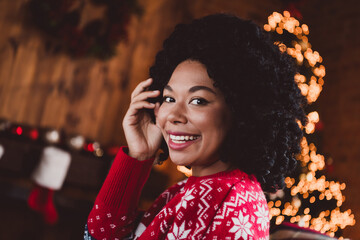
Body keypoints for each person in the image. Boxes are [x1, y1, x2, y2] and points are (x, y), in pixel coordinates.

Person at [84, 13, 308, 240]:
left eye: (198, 101)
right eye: (169, 99)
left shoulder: (224, 201)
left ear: (242, 112)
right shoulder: (200, 189)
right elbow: (105, 234)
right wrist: (139, 155)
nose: (174, 115)